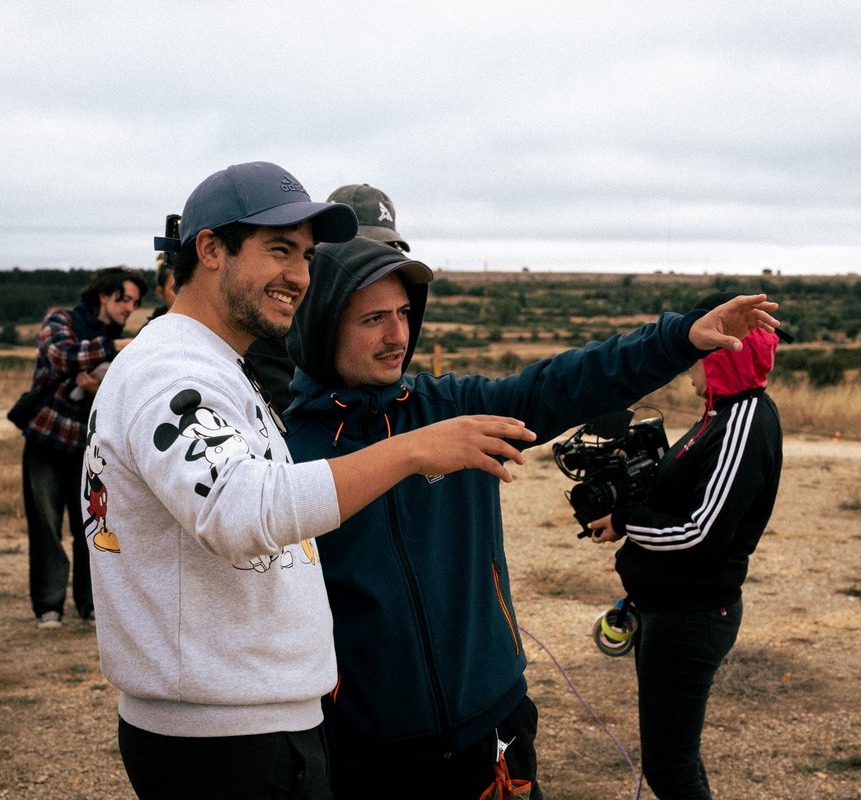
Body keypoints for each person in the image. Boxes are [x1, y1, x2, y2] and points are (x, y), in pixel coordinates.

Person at [84, 161, 534, 800]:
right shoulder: (171, 373)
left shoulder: (212, 368)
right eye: (278, 250)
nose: (298, 275)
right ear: (210, 249)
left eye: (305, 256)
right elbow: (238, 509)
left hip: (246, 726)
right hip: (227, 744)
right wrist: (411, 452)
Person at [282, 238, 780, 799]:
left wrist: (677, 338)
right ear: (322, 326)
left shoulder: (453, 410)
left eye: (403, 314)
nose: (398, 336)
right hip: (365, 755)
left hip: (493, 732)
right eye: (373, 319)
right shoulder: (284, 453)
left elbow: (568, 382)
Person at [589, 291, 786, 800]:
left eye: (698, 354)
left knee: (669, 769)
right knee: (677, 758)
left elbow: (701, 532)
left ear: (722, 351)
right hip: (669, 609)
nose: (687, 367)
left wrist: (628, 521)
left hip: (691, 617)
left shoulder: (742, 421)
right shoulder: (720, 413)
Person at [20, 266, 146, 628]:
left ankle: (90, 605)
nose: (128, 309)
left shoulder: (113, 338)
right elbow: (61, 355)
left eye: (134, 303)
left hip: (88, 450)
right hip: (46, 441)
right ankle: (49, 606)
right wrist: (115, 348)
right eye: (124, 300)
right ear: (104, 295)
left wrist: (96, 387)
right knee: (45, 525)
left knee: (91, 525)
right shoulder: (62, 320)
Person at [245, 183, 408, 413]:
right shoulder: (274, 326)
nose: (375, 268)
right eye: (357, 254)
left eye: (388, 252)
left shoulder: (392, 336)